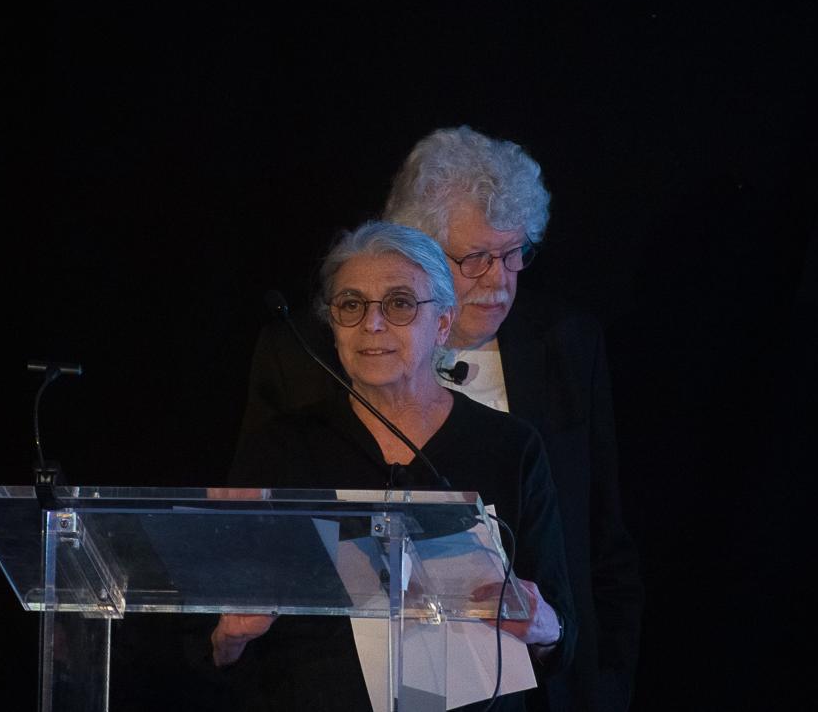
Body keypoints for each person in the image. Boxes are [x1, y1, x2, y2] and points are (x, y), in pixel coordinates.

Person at [239, 127, 643, 712]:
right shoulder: (307, 353)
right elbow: (247, 540)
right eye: (475, 258)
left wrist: (606, 684)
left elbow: (602, 540)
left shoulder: (568, 344)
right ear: (415, 248)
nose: (499, 281)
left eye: (514, 254)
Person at [220, 221, 575, 711]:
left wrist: (544, 625)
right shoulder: (281, 450)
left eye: (400, 303)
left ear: (444, 323)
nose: (372, 324)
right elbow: (205, 644)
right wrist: (229, 637)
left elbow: (561, 636)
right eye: (351, 305)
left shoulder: (510, 447)